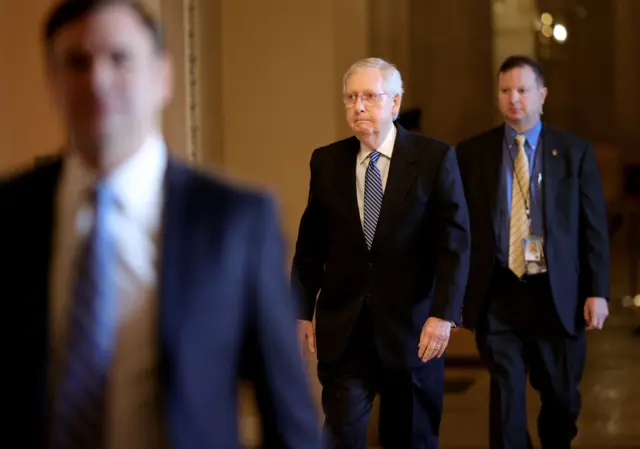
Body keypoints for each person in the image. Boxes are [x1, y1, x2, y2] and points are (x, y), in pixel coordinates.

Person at [0, 1, 322, 448]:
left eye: (120, 58)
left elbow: (290, 421)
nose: (98, 79)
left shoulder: (235, 223)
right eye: (76, 62)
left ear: (163, 77)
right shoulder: (8, 214)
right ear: (52, 82)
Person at [292, 57, 471, 449]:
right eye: (351, 97)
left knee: (409, 436)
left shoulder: (433, 159)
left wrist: (443, 314)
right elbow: (311, 245)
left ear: (395, 102)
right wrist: (302, 310)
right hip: (346, 327)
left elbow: (453, 243)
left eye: (370, 97)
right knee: (340, 433)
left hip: (413, 328)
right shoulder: (327, 161)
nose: (358, 106)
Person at [455, 55, 611, 449]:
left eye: (523, 90)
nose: (514, 99)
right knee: (505, 399)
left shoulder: (573, 152)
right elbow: (460, 230)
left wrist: (598, 291)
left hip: (557, 294)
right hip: (499, 293)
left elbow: (593, 227)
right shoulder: (473, 153)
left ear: (542, 95)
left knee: (561, 398)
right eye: (505, 90)